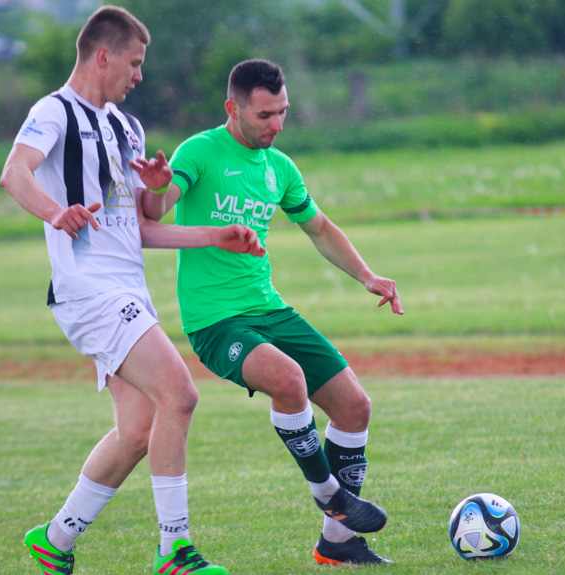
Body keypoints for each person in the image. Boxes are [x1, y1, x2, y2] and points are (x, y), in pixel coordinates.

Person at [0, 8, 265, 575]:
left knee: (139, 431)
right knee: (181, 394)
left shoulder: (128, 128)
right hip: (88, 291)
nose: (139, 74)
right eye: (135, 62)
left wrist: (205, 227)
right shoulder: (54, 112)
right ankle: (175, 549)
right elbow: (14, 173)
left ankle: (55, 539)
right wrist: (57, 211)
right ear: (103, 55)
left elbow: (141, 226)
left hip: (127, 291)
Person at [135, 58, 404, 566]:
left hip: (269, 309)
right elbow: (153, 213)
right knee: (288, 379)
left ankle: (338, 541)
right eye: (264, 115)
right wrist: (153, 184)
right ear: (232, 109)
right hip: (217, 321)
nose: (277, 125)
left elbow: (319, 228)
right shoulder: (200, 151)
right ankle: (327, 491)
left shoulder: (280, 168)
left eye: (282, 112)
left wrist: (368, 275)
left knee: (354, 406)